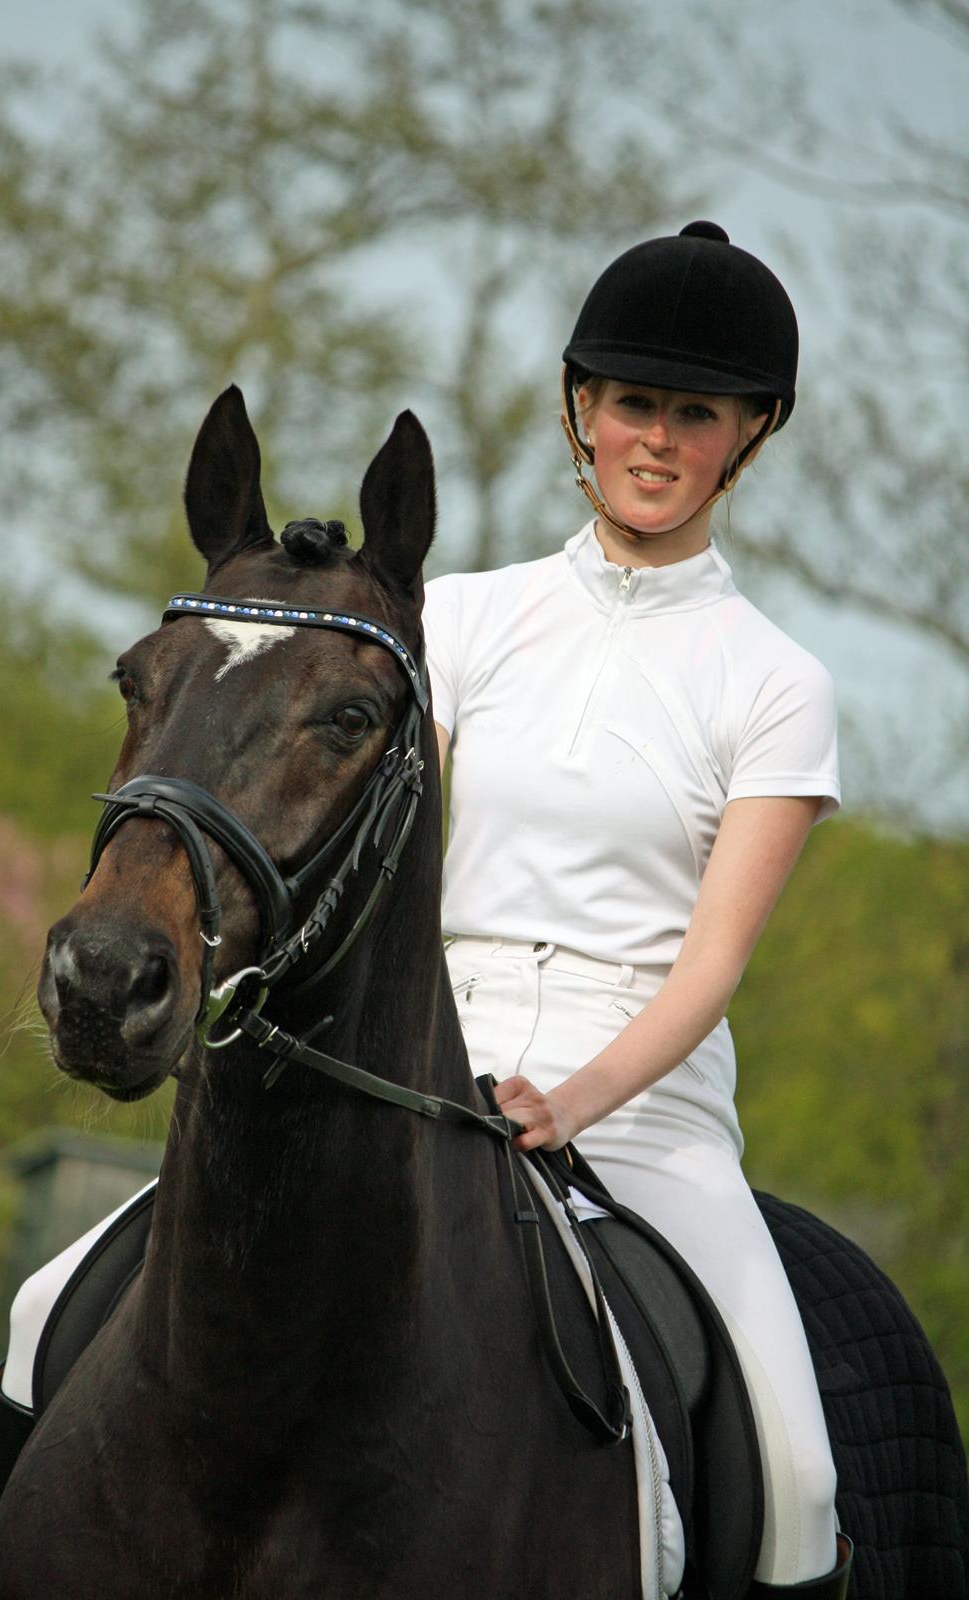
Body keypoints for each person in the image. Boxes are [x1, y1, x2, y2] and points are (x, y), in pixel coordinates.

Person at [422, 220, 852, 1597]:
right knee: (42, 1311)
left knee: (798, 1477)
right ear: (579, 409)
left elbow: (711, 968)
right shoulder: (458, 619)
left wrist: (577, 1100)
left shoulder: (774, 681)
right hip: (430, 1056)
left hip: (645, 1100)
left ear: (750, 435)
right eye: (630, 404)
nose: (656, 440)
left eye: (695, 413)